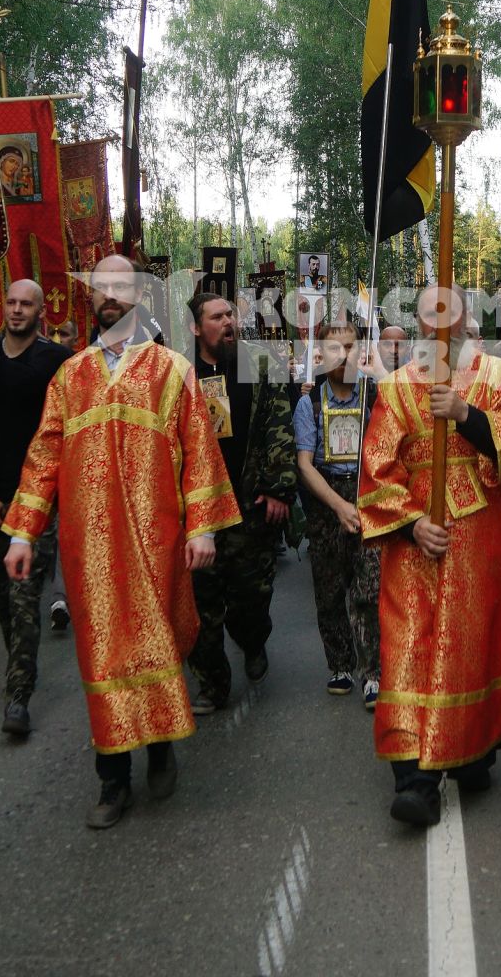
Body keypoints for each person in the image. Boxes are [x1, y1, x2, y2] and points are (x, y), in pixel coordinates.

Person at [1, 255, 240, 828]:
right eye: (101, 287)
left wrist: (203, 525)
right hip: (90, 548)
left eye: (121, 286)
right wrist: (23, 532)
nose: (110, 295)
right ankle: (112, 779)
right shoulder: (71, 375)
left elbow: (201, 451)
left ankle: (159, 748)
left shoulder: (171, 369)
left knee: (155, 641)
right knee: (101, 653)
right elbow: (43, 457)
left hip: (156, 539)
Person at [362, 284, 501, 828]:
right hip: (416, 537)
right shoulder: (395, 387)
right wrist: (411, 522)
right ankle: (414, 779)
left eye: (449, 308)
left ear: (465, 316)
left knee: (472, 643)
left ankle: (473, 747)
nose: (439, 318)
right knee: (410, 645)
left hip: (479, 533)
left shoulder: (496, 375)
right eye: (428, 309)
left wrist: (465, 413)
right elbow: (376, 468)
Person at [0, 279, 74, 737]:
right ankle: (17, 666)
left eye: (27, 304)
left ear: (42, 312)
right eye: (11, 302)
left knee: (25, 598)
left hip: (36, 501)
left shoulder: (54, 362)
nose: (17, 310)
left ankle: (18, 695)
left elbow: (20, 385)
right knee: (4, 599)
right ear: (0, 307)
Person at [186, 291, 297, 713]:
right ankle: (213, 684)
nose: (228, 321)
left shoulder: (258, 361)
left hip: (250, 503)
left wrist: (279, 488)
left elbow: (278, 422)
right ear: (198, 328)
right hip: (201, 512)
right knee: (202, 605)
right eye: (217, 317)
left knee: (251, 596)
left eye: (230, 314)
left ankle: (253, 641)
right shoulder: (181, 372)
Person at [295, 318, 380, 701]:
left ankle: (373, 670)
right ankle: (341, 664)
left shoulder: (375, 396)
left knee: (368, 589)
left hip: (368, 494)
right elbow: (305, 464)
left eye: (349, 346)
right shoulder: (309, 402)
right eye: (334, 347)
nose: (342, 354)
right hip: (326, 497)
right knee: (329, 590)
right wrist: (339, 505)